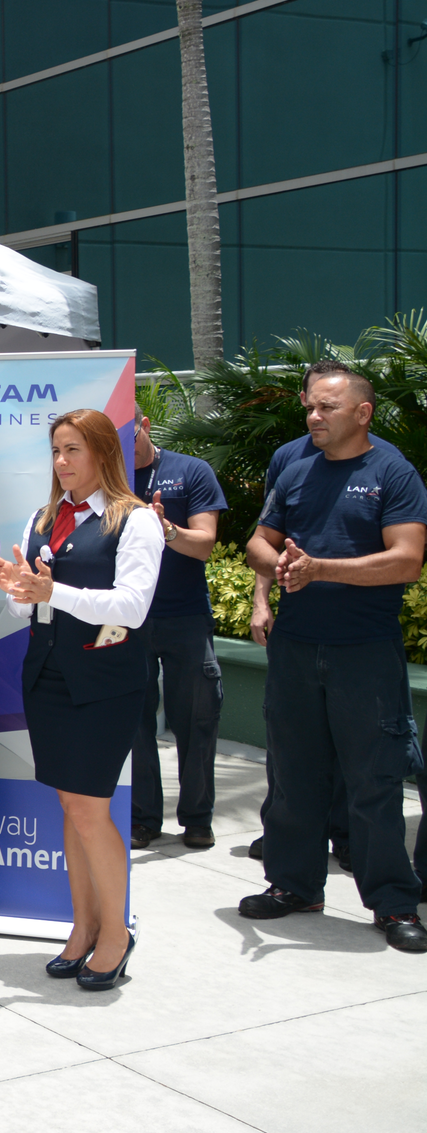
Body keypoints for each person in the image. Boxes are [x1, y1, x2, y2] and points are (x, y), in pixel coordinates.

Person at [237, 367, 427, 953]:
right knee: (294, 775)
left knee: (373, 780)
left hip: (364, 653)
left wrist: (320, 568)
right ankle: (294, 886)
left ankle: (392, 903)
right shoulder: (295, 471)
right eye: (311, 409)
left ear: (362, 413)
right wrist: (281, 565)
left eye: (327, 408)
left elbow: (406, 559)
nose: (313, 417)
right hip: (296, 649)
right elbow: (256, 543)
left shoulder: (393, 472)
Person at [0, 409, 162, 991]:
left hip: (105, 683)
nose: (61, 462)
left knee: (89, 808)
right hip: (49, 677)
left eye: (73, 449)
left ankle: (116, 933)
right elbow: (27, 608)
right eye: (56, 450)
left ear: (105, 453)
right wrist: (18, 590)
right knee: (70, 807)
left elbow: (132, 607)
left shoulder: (135, 521)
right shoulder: (43, 517)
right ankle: (83, 928)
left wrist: (52, 589)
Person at [129, 407, 225, 851]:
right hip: (129, 618)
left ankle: (197, 818)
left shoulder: (191, 470)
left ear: (144, 426)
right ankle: (144, 817)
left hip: (185, 616)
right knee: (135, 723)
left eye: (128, 435)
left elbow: (205, 544)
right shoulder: (108, 481)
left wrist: (166, 530)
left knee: (196, 718)